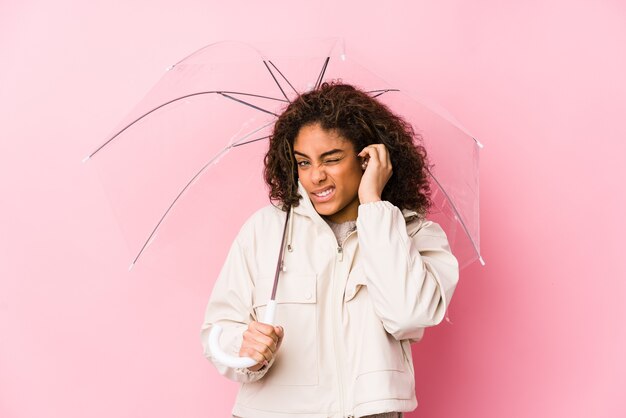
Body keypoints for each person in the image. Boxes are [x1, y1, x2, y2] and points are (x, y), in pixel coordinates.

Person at [200, 82, 459, 418]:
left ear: (367, 158)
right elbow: (216, 332)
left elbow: (409, 315)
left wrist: (373, 206)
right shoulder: (265, 231)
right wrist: (245, 348)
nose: (315, 177)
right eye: (303, 163)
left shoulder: (414, 234)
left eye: (332, 159)